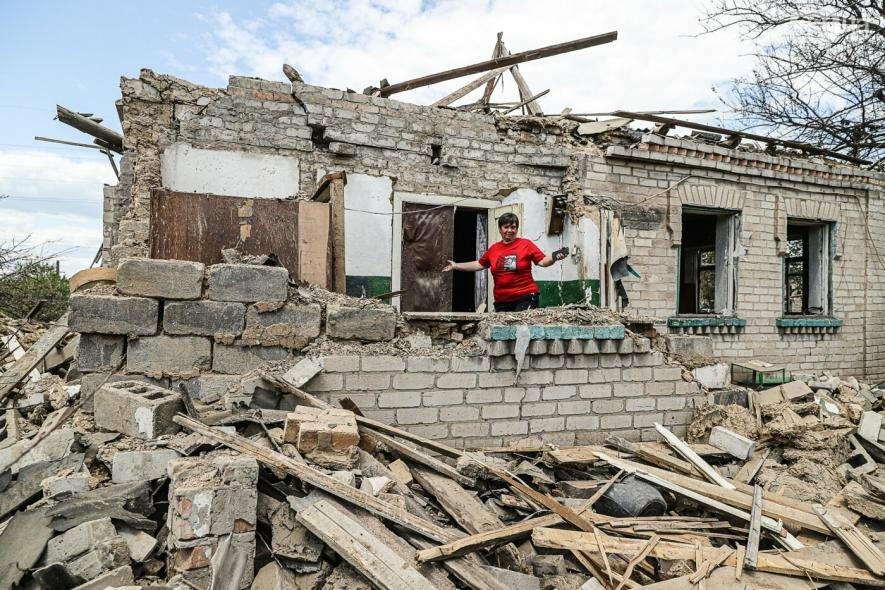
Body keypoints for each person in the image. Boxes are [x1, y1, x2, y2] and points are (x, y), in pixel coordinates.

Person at [442, 212, 568, 311]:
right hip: (502, 301)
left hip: (525, 297)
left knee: (521, 330)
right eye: (506, 227)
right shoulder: (494, 249)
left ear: (517, 229)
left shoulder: (526, 244)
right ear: (500, 229)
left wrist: (554, 256)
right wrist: (455, 266)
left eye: (513, 227)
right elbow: (479, 264)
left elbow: (543, 261)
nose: (509, 230)